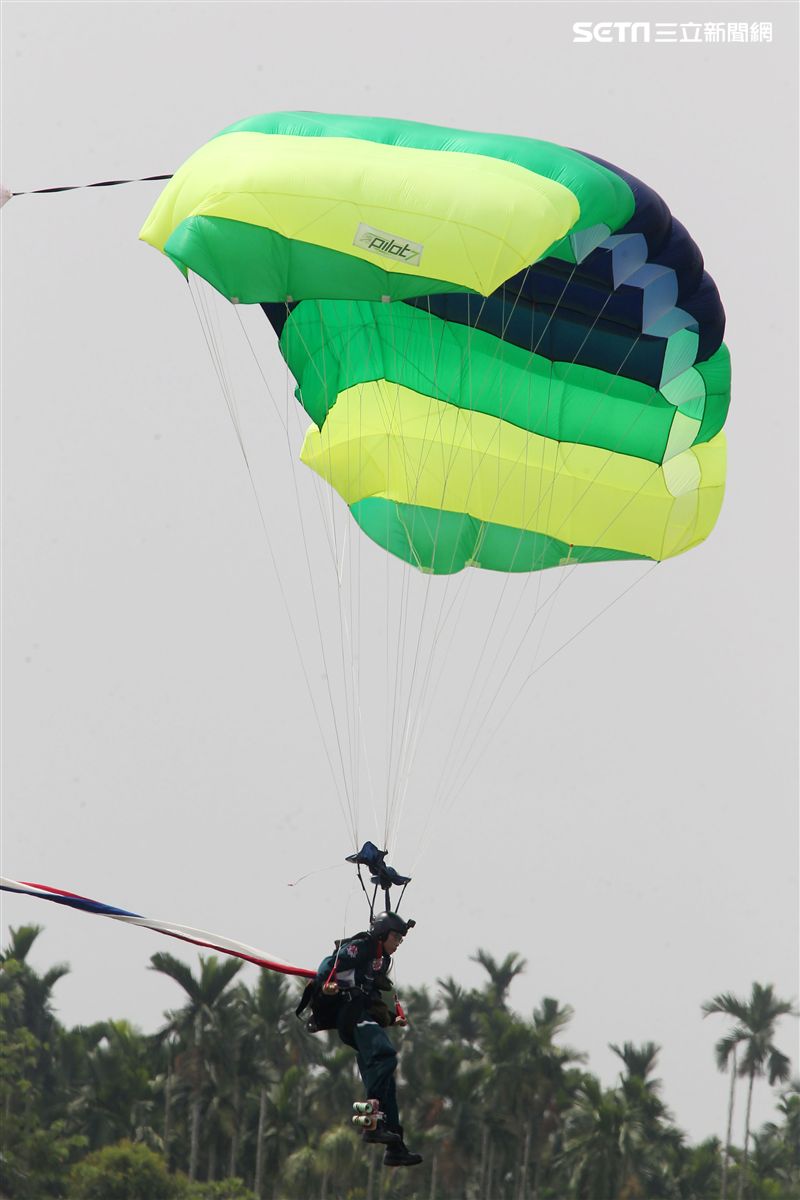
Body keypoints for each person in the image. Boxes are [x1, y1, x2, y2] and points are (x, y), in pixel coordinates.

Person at [303, 910, 423, 1168]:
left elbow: (375, 992)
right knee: (386, 1055)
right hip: (351, 1015)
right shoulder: (362, 947)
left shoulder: (381, 959)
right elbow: (330, 963)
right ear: (383, 933)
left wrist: (392, 1018)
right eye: (396, 938)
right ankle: (371, 1120)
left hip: (362, 1014)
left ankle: (395, 1147)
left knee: (387, 1083)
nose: (398, 943)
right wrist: (327, 983)